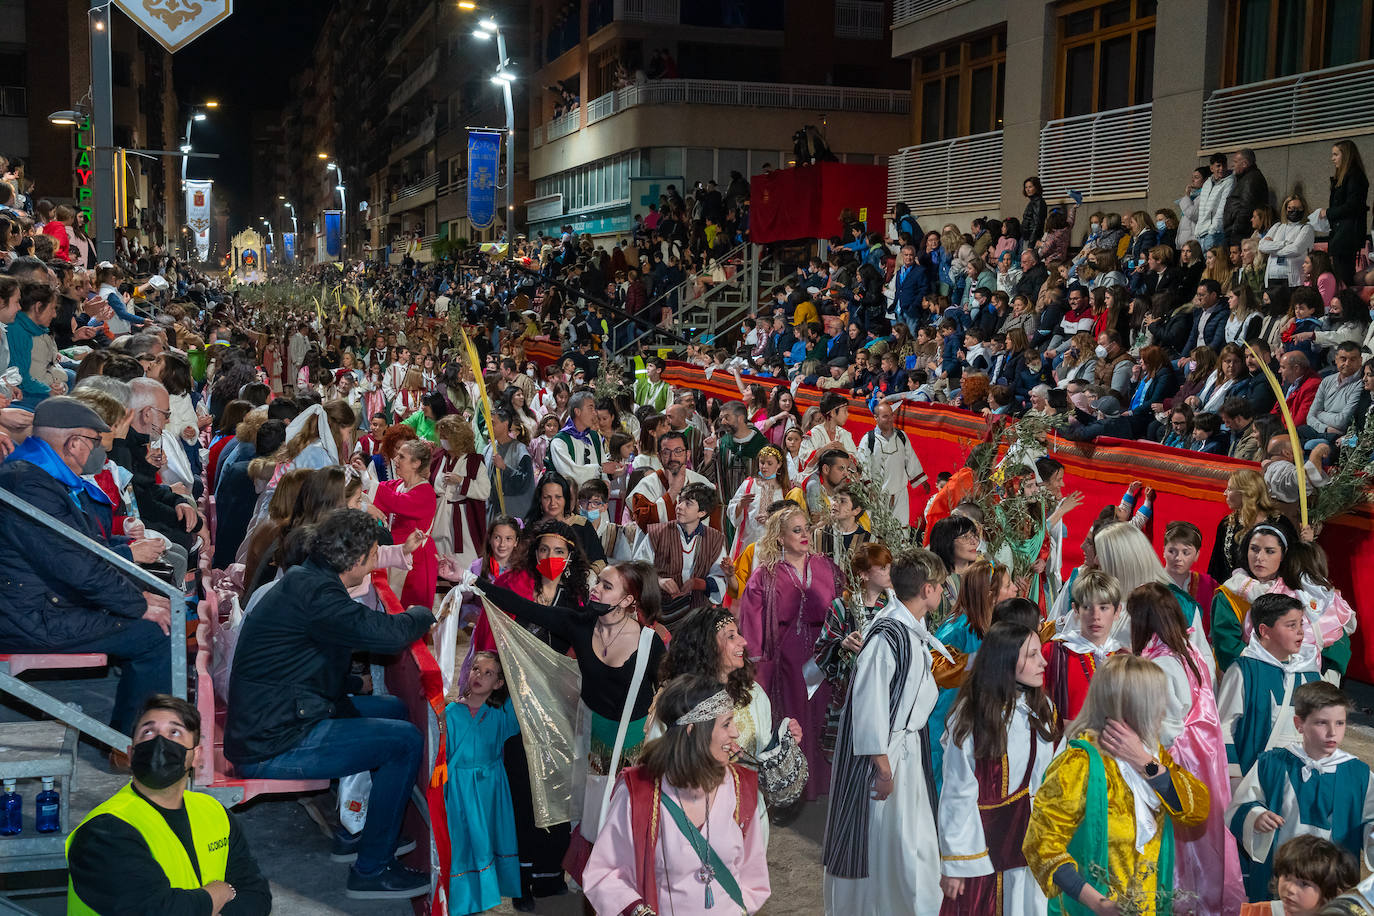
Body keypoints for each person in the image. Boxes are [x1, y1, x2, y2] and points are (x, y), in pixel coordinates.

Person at [224, 509, 436, 900]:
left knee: (393, 712)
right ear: (357, 562)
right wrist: (423, 614)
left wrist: (354, 682)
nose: (377, 559)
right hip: (273, 740)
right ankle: (372, 868)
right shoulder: (319, 594)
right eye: (374, 554)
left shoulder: (310, 577)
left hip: (282, 714)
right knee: (404, 741)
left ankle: (356, 830)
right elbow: (387, 634)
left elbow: (309, 659)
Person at [0, 397, 171, 737]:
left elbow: (81, 549)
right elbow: (77, 564)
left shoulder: (37, 475)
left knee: (157, 607)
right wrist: (137, 605)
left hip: (40, 603)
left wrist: (130, 571)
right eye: (94, 442)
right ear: (74, 442)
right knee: (155, 633)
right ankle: (134, 743)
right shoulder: (29, 484)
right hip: (31, 616)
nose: (97, 452)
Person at [823, 546, 956, 915]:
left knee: (913, 846)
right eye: (941, 586)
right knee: (887, 844)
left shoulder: (911, 629)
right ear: (927, 589)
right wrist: (883, 768)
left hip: (907, 752)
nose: (944, 592)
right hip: (888, 758)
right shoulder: (886, 638)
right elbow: (868, 707)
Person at [1023, 654, 1210, 915]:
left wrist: (1145, 762)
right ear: (1131, 706)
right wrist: (1099, 903)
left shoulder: (1152, 754)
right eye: (1156, 699)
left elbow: (1197, 811)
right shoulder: (1078, 764)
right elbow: (1040, 845)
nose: (1163, 709)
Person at [66, 694, 272, 915]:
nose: (159, 741)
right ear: (131, 753)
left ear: (196, 756)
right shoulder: (103, 831)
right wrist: (219, 893)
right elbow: (159, 910)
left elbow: (256, 895)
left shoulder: (213, 811)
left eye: (174, 732)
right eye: (148, 732)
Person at [583, 673, 770, 915]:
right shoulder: (639, 792)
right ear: (693, 730)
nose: (735, 732)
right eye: (726, 724)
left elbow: (753, 875)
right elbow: (603, 873)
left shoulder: (740, 786)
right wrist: (639, 912)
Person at [1129, 582, 1245, 914]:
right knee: (1207, 842)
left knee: (1182, 846)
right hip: (1204, 754)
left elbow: (1163, 730)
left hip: (1181, 759)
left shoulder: (1161, 665)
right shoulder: (1187, 649)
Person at [938, 622, 1062, 916]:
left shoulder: (1043, 709)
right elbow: (957, 794)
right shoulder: (972, 719)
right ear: (1005, 661)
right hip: (985, 852)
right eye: (1032, 655)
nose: (1043, 661)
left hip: (1033, 847)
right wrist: (957, 862)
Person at [1227, 681, 1374, 902]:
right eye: (1321, 723)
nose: (1332, 732)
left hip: (1332, 879)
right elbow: (1241, 806)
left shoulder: (1360, 774)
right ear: (1299, 724)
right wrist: (1256, 817)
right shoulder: (1272, 764)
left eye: (1340, 723)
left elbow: (1370, 821)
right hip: (1281, 877)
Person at [737, 502, 844, 799]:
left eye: (806, 528)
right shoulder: (765, 575)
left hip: (825, 658)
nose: (804, 535)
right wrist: (757, 666)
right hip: (787, 662)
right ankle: (796, 784)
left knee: (824, 716)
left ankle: (826, 782)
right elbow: (752, 620)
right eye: (797, 531)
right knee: (794, 717)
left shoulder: (827, 567)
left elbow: (841, 609)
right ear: (781, 537)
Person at [1211, 522, 1354, 676]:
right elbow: (1228, 648)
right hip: (1251, 675)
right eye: (1254, 549)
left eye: (1270, 551)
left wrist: (1323, 668)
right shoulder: (1230, 593)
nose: (1260, 557)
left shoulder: (1300, 588)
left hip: (1305, 674)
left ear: (1283, 555)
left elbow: (1333, 635)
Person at [1218, 592, 1323, 780]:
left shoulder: (1311, 673)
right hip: (1254, 779)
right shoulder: (1244, 670)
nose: (1300, 632)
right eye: (1291, 625)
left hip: (1300, 780)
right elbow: (1224, 728)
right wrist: (1234, 778)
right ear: (1265, 631)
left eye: (1301, 624)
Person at [814, 541, 892, 762]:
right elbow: (821, 650)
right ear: (864, 574)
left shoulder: (893, 607)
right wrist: (842, 644)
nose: (889, 572)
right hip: (848, 691)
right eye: (883, 567)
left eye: (889, 566)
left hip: (884, 691)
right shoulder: (842, 606)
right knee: (848, 757)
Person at [634, 481, 727, 630]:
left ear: (702, 513)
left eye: (688, 504)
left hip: (698, 614)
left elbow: (720, 577)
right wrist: (658, 581)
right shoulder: (657, 533)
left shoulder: (714, 539)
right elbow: (638, 567)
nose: (679, 506)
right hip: (660, 612)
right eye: (680, 500)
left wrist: (699, 583)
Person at [1042, 569, 1125, 728]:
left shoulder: (1124, 657)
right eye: (1087, 607)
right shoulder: (1054, 653)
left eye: (1104, 607)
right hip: (1066, 747)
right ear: (1075, 609)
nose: (1096, 616)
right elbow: (1036, 706)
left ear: (1117, 611)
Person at [367, 437, 438, 609]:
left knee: (407, 608)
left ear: (416, 463)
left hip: (416, 560)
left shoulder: (425, 491)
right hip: (398, 554)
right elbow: (381, 490)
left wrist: (366, 480)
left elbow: (395, 501)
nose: (395, 460)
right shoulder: (400, 484)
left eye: (401, 457)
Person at [1241, 835, 1359, 916]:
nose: (1290, 889)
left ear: (1332, 893)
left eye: (1304, 884)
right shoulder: (1257, 912)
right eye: (1286, 876)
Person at [856, 402, 927, 526]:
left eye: (891, 415)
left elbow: (910, 459)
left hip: (900, 492)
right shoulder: (868, 440)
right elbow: (862, 466)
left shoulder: (901, 436)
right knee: (880, 529)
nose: (889, 420)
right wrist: (870, 489)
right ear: (876, 418)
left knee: (902, 528)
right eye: (885, 416)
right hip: (878, 495)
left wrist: (922, 480)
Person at [1318, 140, 1370, 286]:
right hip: (1341, 234)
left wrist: (1328, 212)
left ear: (1346, 155)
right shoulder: (1344, 177)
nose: (1332, 158)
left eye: (1335, 154)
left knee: (1344, 276)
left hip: (1347, 235)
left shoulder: (1355, 176)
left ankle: (1346, 305)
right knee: (1340, 275)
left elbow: (1353, 206)